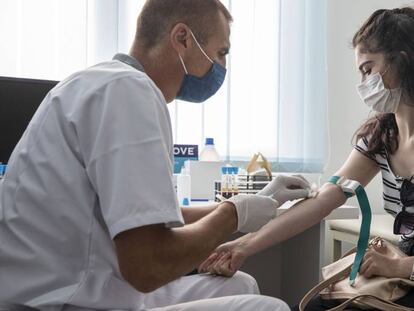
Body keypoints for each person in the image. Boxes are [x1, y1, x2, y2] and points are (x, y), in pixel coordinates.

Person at [0, 0, 312, 310]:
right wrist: (233, 215)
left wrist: (248, 202)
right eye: (220, 53)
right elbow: (147, 267)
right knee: (270, 308)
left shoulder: (100, 83)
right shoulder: (129, 92)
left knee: (240, 283)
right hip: (62, 300)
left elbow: (153, 218)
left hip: (60, 286)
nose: (222, 68)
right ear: (182, 38)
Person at [199, 7, 414, 311]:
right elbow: (323, 200)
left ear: (402, 60)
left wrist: (400, 268)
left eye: (368, 69)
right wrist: (245, 245)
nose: (363, 83)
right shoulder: (382, 138)